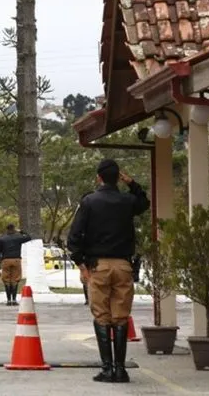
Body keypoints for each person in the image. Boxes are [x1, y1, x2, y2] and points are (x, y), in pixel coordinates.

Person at [67, 159, 150, 384]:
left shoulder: (89, 202)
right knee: (121, 317)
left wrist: (81, 264)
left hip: (98, 266)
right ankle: (121, 369)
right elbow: (144, 203)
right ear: (118, 177)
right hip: (123, 265)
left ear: (99, 178)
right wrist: (132, 183)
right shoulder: (127, 201)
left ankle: (107, 368)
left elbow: (74, 237)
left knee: (101, 316)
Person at [0, 223, 32, 306]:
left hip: (5, 260)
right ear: (14, 229)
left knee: (6, 280)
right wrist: (22, 231)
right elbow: (29, 237)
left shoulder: (2, 238)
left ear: (6, 229)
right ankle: (14, 300)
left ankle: (8, 300)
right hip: (16, 260)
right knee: (15, 280)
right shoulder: (18, 237)